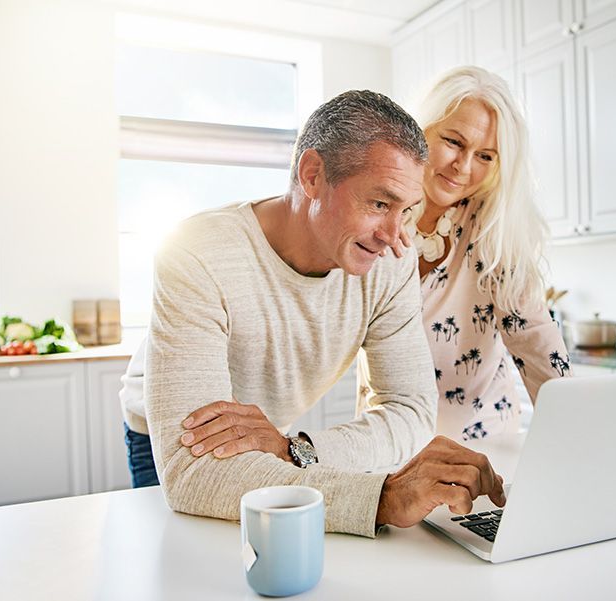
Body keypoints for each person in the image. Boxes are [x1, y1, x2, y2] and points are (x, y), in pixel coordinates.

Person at [125, 90, 505, 537]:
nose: (393, 235)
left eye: (405, 210)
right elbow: (196, 476)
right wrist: (383, 498)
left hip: (275, 438)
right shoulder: (198, 250)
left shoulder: (390, 262)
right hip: (168, 440)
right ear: (312, 175)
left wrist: (294, 450)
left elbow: (412, 412)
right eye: (379, 204)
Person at [372, 65, 572, 442]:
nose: (463, 167)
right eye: (453, 142)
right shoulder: (376, 218)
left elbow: (533, 335)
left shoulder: (491, 226)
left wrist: (579, 428)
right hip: (389, 442)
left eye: (486, 156)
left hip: (484, 445)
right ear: (421, 130)